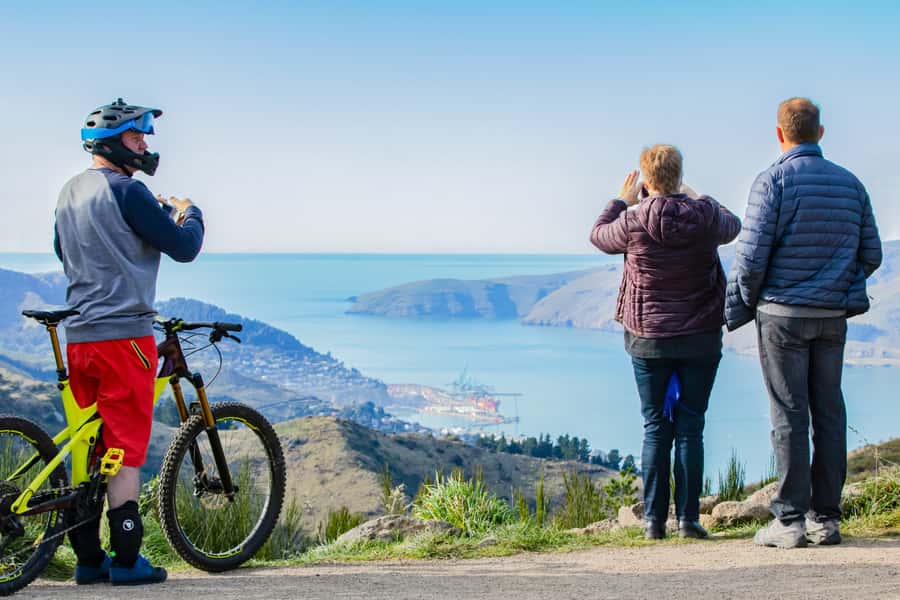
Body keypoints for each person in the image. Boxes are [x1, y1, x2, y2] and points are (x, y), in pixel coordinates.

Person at [53, 98, 205, 584]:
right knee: (123, 449)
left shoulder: (69, 192)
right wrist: (189, 211)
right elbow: (184, 248)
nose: (145, 145)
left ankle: (87, 559)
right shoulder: (129, 191)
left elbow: (63, 249)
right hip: (125, 338)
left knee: (88, 445)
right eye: (138, 137)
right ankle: (126, 560)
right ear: (115, 142)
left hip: (79, 336)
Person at [725, 98, 882, 548]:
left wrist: (748, 302)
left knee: (788, 414)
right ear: (821, 132)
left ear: (780, 134)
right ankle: (826, 520)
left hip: (782, 316)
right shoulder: (851, 184)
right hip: (831, 317)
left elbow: (751, 258)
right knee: (829, 413)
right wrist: (836, 286)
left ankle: (789, 522)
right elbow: (871, 254)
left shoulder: (771, 181)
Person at [591, 145, 741, 539]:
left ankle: (654, 523)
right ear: (678, 175)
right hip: (700, 337)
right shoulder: (706, 217)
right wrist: (694, 194)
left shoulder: (633, 221)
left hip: (648, 339)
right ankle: (689, 520)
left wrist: (619, 202)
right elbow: (734, 224)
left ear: (645, 179)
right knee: (691, 426)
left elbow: (597, 235)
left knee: (655, 426)